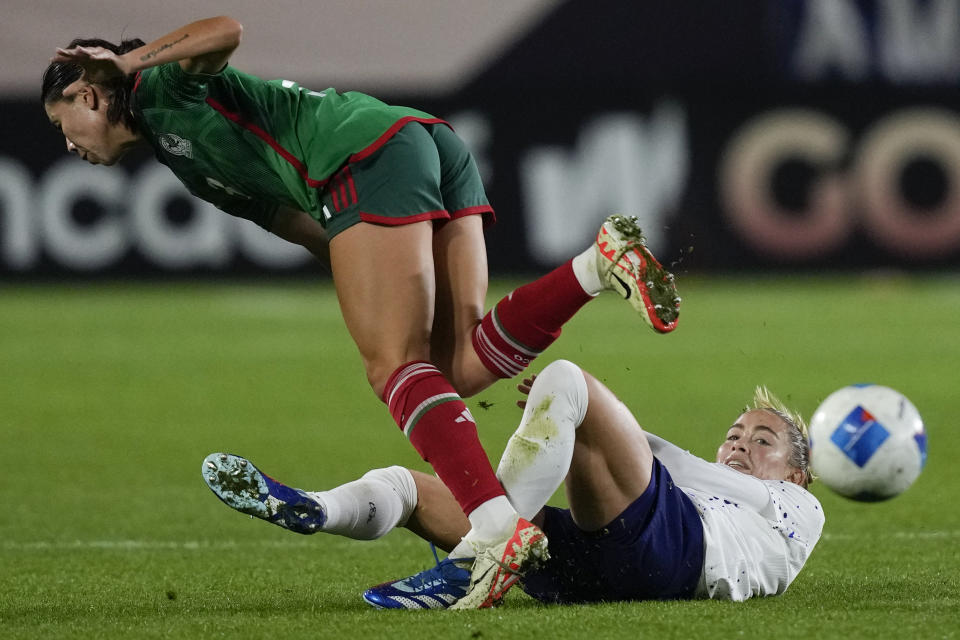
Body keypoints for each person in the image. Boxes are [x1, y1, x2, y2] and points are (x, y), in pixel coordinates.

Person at [42, 17, 682, 608]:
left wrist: (126, 66)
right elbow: (298, 224)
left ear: (88, 95)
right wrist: (369, 273)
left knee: (392, 368)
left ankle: (493, 531)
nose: (65, 144)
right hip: (424, 143)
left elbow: (224, 30)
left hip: (362, 158)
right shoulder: (183, 157)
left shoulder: (157, 92)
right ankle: (595, 268)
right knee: (450, 365)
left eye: (58, 120)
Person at [202, 359, 824, 609]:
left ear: (795, 472)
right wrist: (600, 426)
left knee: (566, 376)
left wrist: (605, 418)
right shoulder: (696, 486)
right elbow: (678, 470)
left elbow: (689, 471)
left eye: (762, 440)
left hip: (678, 552)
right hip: (604, 570)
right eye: (735, 433)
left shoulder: (797, 506)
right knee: (408, 486)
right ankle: (314, 507)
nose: (741, 442)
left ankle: (481, 555)